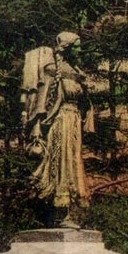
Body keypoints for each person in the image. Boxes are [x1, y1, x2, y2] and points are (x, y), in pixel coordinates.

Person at [21, 32, 92, 228]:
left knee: (73, 164)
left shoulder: (75, 70)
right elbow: (43, 100)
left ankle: (69, 212)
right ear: (69, 48)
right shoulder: (54, 69)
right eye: (78, 47)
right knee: (61, 164)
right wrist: (36, 126)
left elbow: (83, 103)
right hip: (60, 123)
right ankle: (58, 213)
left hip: (74, 123)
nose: (81, 51)